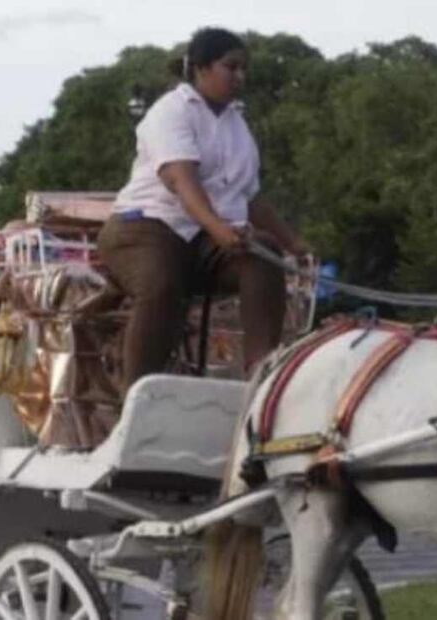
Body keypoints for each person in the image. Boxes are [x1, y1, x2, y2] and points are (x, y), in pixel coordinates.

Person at [98, 27, 307, 394]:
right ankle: (138, 395)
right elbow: (181, 181)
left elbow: (251, 197)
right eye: (231, 67)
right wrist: (219, 230)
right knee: (162, 285)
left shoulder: (237, 125)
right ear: (201, 68)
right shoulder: (169, 113)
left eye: (244, 69)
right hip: (145, 228)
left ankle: (261, 379)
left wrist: (294, 245)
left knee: (265, 255)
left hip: (203, 237)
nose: (240, 77)